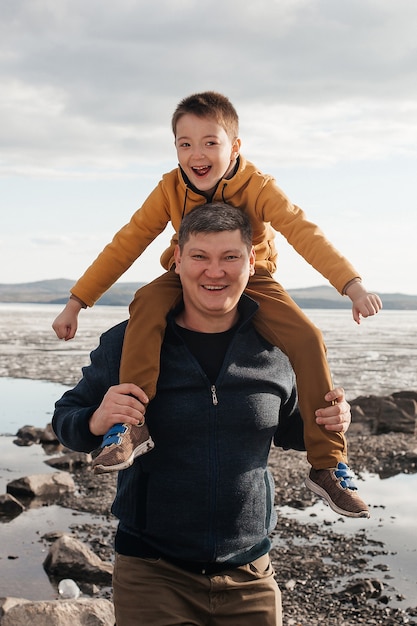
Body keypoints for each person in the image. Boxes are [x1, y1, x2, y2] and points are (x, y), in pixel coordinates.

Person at [52, 91, 382, 516]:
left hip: (254, 275)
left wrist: (351, 284)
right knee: (146, 304)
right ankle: (130, 426)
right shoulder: (170, 188)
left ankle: (328, 463)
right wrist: (77, 301)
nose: (197, 153)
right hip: (182, 273)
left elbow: (304, 232)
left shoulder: (259, 187)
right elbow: (127, 242)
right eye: (185, 144)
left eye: (210, 142)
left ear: (235, 147)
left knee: (306, 335)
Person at [52, 204, 358, 626]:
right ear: (177, 259)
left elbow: (290, 428)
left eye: (230, 257)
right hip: (152, 573)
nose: (215, 272)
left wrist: (331, 420)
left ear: (252, 261)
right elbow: (65, 419)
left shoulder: (278, 347)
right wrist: (95, 420)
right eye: (200, 256)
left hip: (250, 573)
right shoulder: (129, 343)